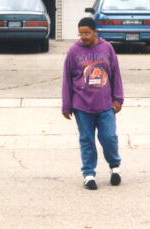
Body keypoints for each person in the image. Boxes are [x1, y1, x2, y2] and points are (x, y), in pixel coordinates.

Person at [62, 17, 124, 190]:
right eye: (81, 33)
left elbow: (115, 75)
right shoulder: (74, 51)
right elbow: (67, 80)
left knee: (109, 137)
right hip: (82, 106)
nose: (84, 36)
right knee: (87, 140)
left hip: (105, 105)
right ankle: (89, 174)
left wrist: (118, 98)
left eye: (87, 33)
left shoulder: (107, 48)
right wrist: (66, 105)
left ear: (96, 31)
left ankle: (115, 167)